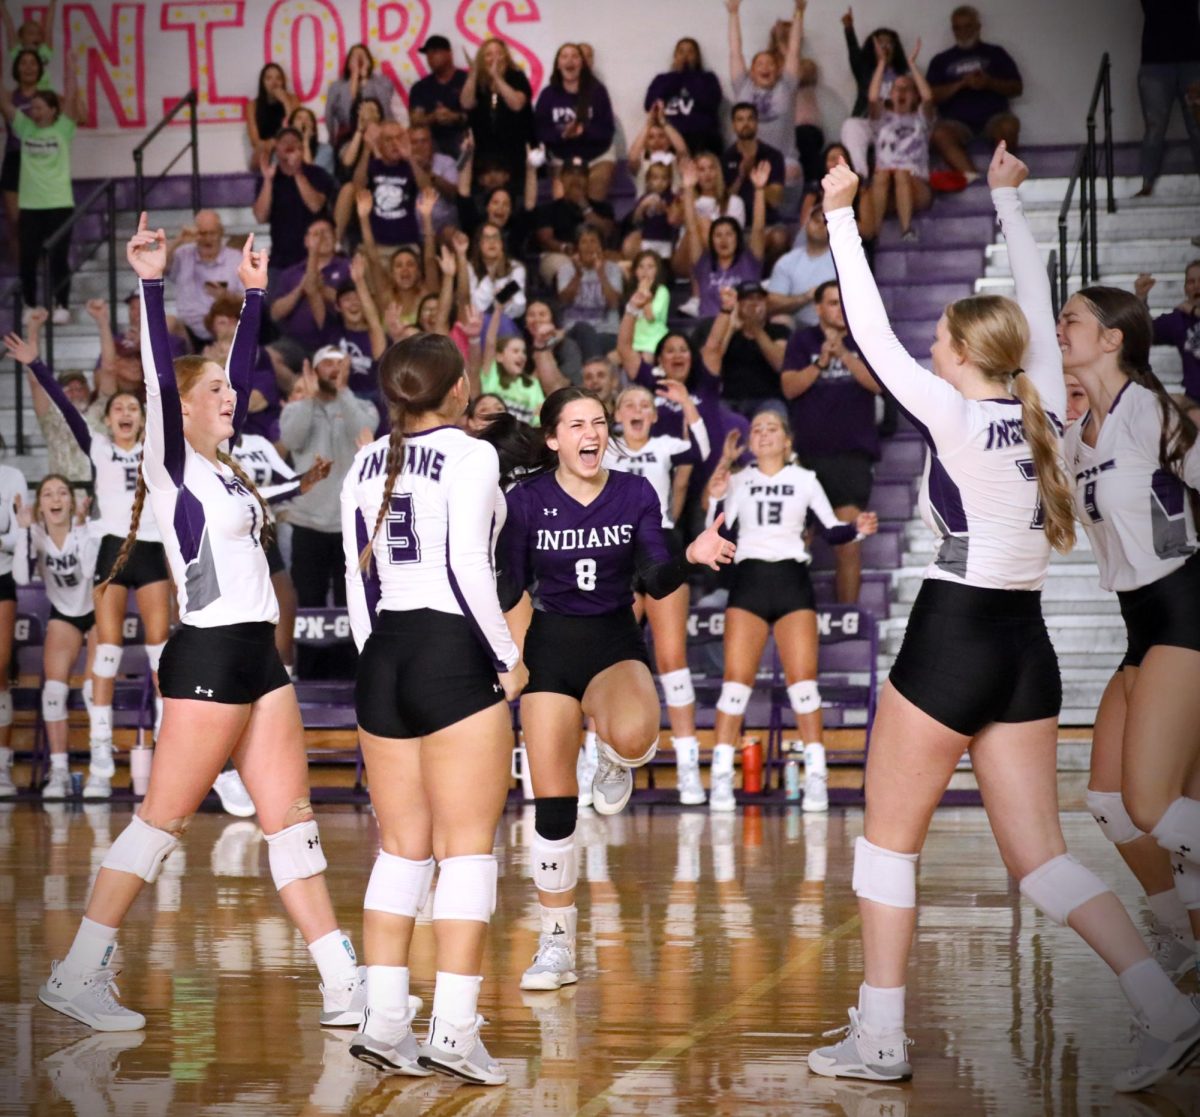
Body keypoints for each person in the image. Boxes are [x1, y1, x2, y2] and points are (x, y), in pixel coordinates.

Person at [807, 148, 1200, 1091]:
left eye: (940, 333)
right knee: (1043, 859)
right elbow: (1032, 297)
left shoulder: (949, 410)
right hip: (1028, 648)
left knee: (885, 843)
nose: (931, 341)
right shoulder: (1045, 418)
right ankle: (1167, 1004)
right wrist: (1008, 203)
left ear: (956, 350)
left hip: (955, 634)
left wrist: (838, 216)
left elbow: (865, 324)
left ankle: (884, 1036)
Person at [37, 216, 366, 1033]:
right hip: (209, 653)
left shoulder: (226, 469)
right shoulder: (172, 463)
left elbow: (241, 365)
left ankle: (343, 983)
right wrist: (151, 284)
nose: (233, 394)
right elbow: (158, 377)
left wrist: (255, 295)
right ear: (179, 410)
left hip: (260, 658)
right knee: (162, 822)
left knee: (292, 824)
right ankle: (79, 970)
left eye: (230, 388)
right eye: (214, 391)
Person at [488, 386, 732, 992]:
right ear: (553, 439)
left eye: (597, 423)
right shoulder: (525, 501)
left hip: (613, 644)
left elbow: (652, 573)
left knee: (633, 734)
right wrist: (506, 656)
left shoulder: (634, 492)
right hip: (550, 649)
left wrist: (691, 557)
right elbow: (508, 585)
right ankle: (557, 943)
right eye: (575, 425)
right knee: (552, 805)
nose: (590, 433)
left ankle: (614, 757)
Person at [341, 332, 526, 1083]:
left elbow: (358, 585)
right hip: (451, 649)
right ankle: (453, 1031)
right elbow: (465, 567)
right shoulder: (473, 452)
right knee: (467, 851)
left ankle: (385, 1023)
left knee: (401, 849)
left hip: (383, 657)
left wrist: (375, 660)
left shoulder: (364, 459)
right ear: (454, 391)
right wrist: (507, 658)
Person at [1060, 282, 1200, 1006]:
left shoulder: (1150, 410)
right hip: (1139, 621)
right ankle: (1180, 937)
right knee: (1111, 803)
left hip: (1185, 607)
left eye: (1072, 319)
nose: (1059, 328)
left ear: (1113, 338)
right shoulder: (1078, 434)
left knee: (1152, 802)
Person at [16, 339, 171, 799]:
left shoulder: (158, 448)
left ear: (142, 419)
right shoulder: (99, 447)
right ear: (108, 418)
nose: (126, 412)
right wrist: (38, 365)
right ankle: (101, 748)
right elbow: (64, 406)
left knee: (162, 652)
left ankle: (166, 745)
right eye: (118, 407)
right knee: (107, 651)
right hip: (111, 548)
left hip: (151, 548)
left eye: (133, 407)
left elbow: (166, 396)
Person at [704, 409, 876, 812]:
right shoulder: (738, 480)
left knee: (804, 685)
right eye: (756, 428)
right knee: (734, 685)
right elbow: (718, 532)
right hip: (748, 583)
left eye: (772, 428)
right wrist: (714, 496)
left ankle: (817, 778)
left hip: (791, 582)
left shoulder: (805, 480)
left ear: (787, 441)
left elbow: (833, 529)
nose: (763, 433)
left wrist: (859, 530)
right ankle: (722, 779)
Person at [605, 382, 711, 804]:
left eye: (644, 405)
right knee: (608, 661)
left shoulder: (667, 444)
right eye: (628, 403)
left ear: (653, 415)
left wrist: (686, 403)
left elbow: (703, 449)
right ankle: (601, 763)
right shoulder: (607, 447)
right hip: (614, 548)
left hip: (659, 546)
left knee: (672, 660)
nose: (636, 409)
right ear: (616, 413)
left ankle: (689, 770)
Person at [782, 279, 881, 603]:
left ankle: (848, 617)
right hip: (808, 457)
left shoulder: (864, 339)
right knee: (798, 542)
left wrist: (845, 356)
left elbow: (879, 385)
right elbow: (789, 387)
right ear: (818, 308)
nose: (839, 308)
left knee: (848, 543)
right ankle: (793, 613)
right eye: (832, 303)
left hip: (851, 458)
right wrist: (821, 362)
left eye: (843, 302)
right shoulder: (801, 341)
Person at [12, 475, 96, 799]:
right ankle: (59, 771)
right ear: (40, 505)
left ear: (72, 502)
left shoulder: (84, 530)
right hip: (64, 614)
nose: (56, 498)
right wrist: (22, 529)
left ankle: (99, 769)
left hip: (96, 608)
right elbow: (20, 576)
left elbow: (88, 571)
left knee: (92, 689)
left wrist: (83, 527)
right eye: (48, 493)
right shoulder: (33, 534)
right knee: (53, 693)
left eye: (63, 492)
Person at [280, 348, 378, 617]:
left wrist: (344, 391)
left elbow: (364, 434)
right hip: (307, 522)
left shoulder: (361, 405)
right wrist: (310, 400)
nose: (334, 369)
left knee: (352, 606)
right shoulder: (296, 409)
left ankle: (349, 660)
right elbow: (292, 440)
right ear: (313, 369)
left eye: (340, 364)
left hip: (350, 523)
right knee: (309, 605)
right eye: (327, 363)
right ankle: (309, 661)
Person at [0, 56, 86, 321]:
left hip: (59, 203)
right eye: (31, 108)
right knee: (28, 257)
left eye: (38, 108)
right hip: (31, 205)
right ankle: (30, 305)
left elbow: (71, 99)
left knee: (59, 257)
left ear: (51, 110)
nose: (33, 112)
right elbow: (4, 101)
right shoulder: (24, 128)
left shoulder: (63, 128)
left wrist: (71, 70)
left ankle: (61, 305)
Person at [926, 6, 1023, 180]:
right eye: (957, 27)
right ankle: (975, 181)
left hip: (995, 118)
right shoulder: (941, 60)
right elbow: (930, 96)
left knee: (1009, 126)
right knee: (939, 134)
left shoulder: (996, 53)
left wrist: (989, 82)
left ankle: (1001, 179)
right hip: (956, 122)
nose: (963, 31)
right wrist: (961, 84)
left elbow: (1017, 88)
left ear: (978, 27)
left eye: (968, 26)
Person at [726, 0, 805, 176]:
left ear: (778, 70)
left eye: (770, 64)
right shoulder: (743, 85)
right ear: (752, 71)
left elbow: (794, 51)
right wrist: (733, 13)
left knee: (792, 173)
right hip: (746, 159)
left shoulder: (787, 85)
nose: (765, 67)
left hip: (784, 160)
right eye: (759, 64)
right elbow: (735, 51)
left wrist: (799, 12)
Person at [682, 161, 768, 319]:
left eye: (729, 234)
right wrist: (688, 189)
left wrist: (759, 189)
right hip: (708, 329)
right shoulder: (703, 263)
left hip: (742, 328)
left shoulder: (750, 260)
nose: (723, 240)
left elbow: (758, 229)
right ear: (711, 240)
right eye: (718, 235)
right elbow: (692, 230)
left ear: (738, 238)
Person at [869, 41, 935, 242]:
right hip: (886, 188)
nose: (902, 93)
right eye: (897, 89)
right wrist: (882, 63)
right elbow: (872, 98)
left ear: (914, 95)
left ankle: (906, 230)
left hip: (917, 185)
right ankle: (875, 233)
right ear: (890, 94)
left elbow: (929, 97)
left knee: (900, 173)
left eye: (907, 89)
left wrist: (912, 65)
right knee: (881, 175)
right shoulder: (882, 119)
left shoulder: (922, 118)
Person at [1134, 0, 1200, 198]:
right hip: (1156, 63)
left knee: (1198, 125)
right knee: (1155, 128)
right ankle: (1147, 183)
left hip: (1191, 61)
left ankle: (1147, 183)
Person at [535, 44, 616, 203]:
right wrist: (562, 135)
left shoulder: (598, 91)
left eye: (575, 56)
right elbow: (539, 130)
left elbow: (607, 130)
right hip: (561, 156)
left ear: (582, 64)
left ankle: (592, 223)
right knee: (563, 197)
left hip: (597, 155)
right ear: (558, 64)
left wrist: (583, 131)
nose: (569, 60)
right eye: (564, 56)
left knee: (597, 186)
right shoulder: (548, 94)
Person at [252, 129, 336, 274]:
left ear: (302, 149)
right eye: (284, 142)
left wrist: (297, 172)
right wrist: (267, 181)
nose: (289, 145)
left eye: (294, 142)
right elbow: (260, 216)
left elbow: (315, 206)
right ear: (276, 148)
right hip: (280, 261)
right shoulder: (268, 177)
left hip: (316, 259)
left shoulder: (317, 174)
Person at [839, 13, 910, 183]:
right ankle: (860, 176)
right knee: (850, 125)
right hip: (869, 121)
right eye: (880, 43)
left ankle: (894, 176)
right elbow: (854, 53)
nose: (885, 47)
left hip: (894, 125)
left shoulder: (904, 74)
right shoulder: (865, 71)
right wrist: (849, 28)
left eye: (889, 43)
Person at [461, 38, 533, 201]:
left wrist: (498, 78)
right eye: (488, 55)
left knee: (514, 197)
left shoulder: (517, 77)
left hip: (513, 150)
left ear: (506, 57)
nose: (494, 58)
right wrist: (472, 76)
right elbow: (466, 102)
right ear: (481, 59)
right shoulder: (478, 80)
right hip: (483, 152)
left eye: (499, 53)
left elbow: (516, 104)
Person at [703, 281, 789, 419]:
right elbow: (711, 362)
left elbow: (780, 364)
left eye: (759, 299)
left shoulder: (779, 330)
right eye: (748, 299)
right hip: (729, 399)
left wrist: (755, 328)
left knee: (775, 414)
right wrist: (731, 327)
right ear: (738, 304)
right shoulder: (726, 329)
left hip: (767, 399)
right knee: (714, 416)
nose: (754, 303)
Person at [165, 210, 245, 349]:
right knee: (167, 322)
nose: (207, 239)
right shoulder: (183, 254)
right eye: (202, 233)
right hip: (188, 329)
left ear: (221, 233)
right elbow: (158, 267)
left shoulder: (236, 258)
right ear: (195, 234)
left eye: (212, 233)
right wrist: (178, 241)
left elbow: (249, 299)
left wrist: (226, 296)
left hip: (225, 330)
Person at [269, 217, 350, 354]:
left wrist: (320, 287)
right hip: (294, 343)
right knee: (267, 357)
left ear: (336, 237)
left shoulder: (348, 267)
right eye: (316, 234)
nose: (321, 238)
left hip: (338, 340)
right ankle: (295, 377)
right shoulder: (290, 273)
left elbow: (354, 301)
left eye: (326, 232)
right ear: (306, 241)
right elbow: (275, 314)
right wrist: (301, 288)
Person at [532, 159, 615, 285]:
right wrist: (565, 248)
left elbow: (607, 232)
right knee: (565, 268)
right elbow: (545, 240)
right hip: (561, 254)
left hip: (596, 255)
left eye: (581, 175)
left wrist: (585, 207)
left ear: (588, 180)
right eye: (570, 174)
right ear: (561, 178)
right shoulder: (547, 209)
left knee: (618, 266)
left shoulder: (603, 208)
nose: (576, 179)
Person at [1134, 263, 1200, 413]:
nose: (1196, 286)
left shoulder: (1189, 311)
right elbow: (1145, 332)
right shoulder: (1180, 319)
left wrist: (1195, 311)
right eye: (1191, 282)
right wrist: (1141, 298)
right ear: (1185, 289)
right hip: (1194, 401)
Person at [1, 49, 46, 261]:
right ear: (16, 68)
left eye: (33, 63)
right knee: (15, 221)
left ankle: (37, 272)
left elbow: (78, 115)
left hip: (39, 161)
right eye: (23, 63)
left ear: (40, 68)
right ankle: (20, 276)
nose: (28, 67)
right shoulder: (9, 96)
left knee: (36, 223)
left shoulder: (48, 98)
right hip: (14, 159)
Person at [643, 37, 724, 156]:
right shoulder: (662, 79)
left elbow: (711, 102)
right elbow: (649, 105)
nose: (685, 55)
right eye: (681, 51)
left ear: (697, 57)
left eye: (690, 52)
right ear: (675, 56)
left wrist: (689, 76)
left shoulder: (708, 78)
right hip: (668, 136)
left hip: (701, 136)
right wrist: (677, 76)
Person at [766, 202, 837, 330]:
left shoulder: (844, 261)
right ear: (807, 224)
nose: (820, 226)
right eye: (816, 221)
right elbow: (771, 303)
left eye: (826, 223)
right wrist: (806, 297)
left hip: (836, 326)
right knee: (780, 320)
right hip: (799, 328)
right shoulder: (787, 261)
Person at [0, 452, 25, 798]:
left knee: (0, 669)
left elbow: (19, 534)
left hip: (3, 574)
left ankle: (3, 766)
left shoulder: (12, 476)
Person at [556, 227, 623, 346]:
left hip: (606, 331)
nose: (589, 246)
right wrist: (577, 275)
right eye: (584, 242)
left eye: (593, 241)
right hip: (574, 329)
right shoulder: (566, 269)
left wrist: (601, 273)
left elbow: (614, 303)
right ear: (578, 248)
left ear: (601, 246)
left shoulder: (613, 269)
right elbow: (564, 300)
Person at [325, 44, 397, 154]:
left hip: (381, 133)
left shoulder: (382, 81)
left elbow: (385, 107)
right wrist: (354, 78)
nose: (359, 60)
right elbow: (345, 114)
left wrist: (365, 79)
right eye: (354, 57)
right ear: (348, 62)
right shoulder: (337, 86)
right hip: (349, 136)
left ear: (369, 61)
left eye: (362, 56)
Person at [409, 35, 468, 156]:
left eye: (435, 52)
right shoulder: (420, 87)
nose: (430, 57)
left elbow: (480, 116)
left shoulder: (467, 81)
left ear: (449, 54)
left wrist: (455, 117)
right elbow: (415, 121)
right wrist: (433, 117)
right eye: (428, 54)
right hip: (431, 145)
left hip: (464, 141)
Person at [246, 63, 298, 169]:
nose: (274, 83)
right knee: (261, 151)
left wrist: (285, 102)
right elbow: (254, 140)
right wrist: (268, 145)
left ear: (283, 82)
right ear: (262, 82)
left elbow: (295, 130)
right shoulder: (252, 105)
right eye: (269, 78)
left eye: (278, 78)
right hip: (265, 150)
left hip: (287, 146)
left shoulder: (292, 100)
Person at [290, 105, 336, 177]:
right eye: (299, 118)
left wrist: (305, 141)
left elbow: (311, 177)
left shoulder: (325, 150)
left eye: (308, 119)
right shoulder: (281, 149)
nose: (303, 122)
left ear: (313, 129)